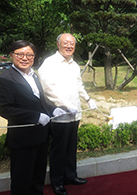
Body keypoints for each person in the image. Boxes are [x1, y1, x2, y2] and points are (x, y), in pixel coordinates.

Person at [0, 40, 66, 195]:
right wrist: (34, 116)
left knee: (38, 175)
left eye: (29, 54)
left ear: (34, 56)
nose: (25, 58)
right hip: (23, 139)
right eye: (20, 54)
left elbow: (40, 102)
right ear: (12, 55)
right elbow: (4, 108)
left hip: (41, 135)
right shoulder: (5, 78)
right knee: (22, 179)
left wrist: (54, 109)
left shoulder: (33, 75)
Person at [38, 33, 97, 195]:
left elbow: (79, 85)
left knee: (71, 148)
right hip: (60, 115)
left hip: (75, 114)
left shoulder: (74, 64)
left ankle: (71, 176)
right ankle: (57, 181)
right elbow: (48, 89)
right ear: (58, 44)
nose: (69, 46)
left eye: (72, 43)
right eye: (66, 43)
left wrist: (88, 99)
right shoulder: (49, 63)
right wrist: (66, 105)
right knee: (59, 150)